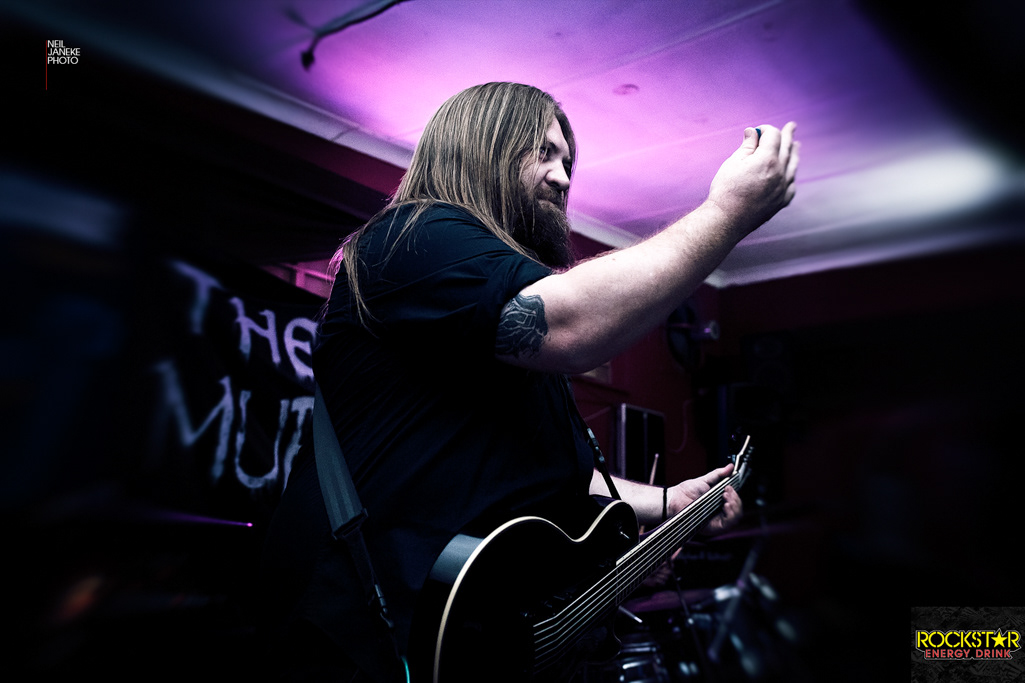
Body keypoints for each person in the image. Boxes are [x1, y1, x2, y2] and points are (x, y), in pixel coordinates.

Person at [259, 82, 799, 682]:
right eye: (544, 152)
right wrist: (727, 213)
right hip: (360, 632)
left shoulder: (490, 332)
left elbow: (553, 472)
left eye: (568, 162)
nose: (564, 178)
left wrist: (671, 502)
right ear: (482, 147)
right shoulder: (416, 235)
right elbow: (573, 325)